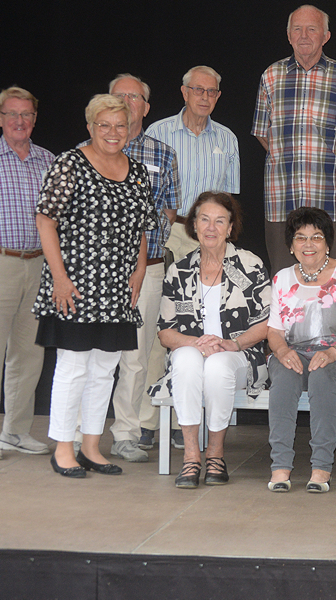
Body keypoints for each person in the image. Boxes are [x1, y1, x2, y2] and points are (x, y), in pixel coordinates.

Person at [33, 94, 156, 478]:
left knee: (104, 369)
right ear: (90, 127)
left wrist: (139, 270)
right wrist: (59, 277)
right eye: (104, 125)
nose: (113, 132)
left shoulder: (137, 171)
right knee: (73, 367)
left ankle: (90, 447)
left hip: (117, 287)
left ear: (130, 129)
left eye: (120, 125)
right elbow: (45, 221)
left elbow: (141, 227)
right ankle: (63, 448)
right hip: (75, 285)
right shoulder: (69, 164)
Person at [75, 74, 181, 462]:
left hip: (147, 269)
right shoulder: (82, 154)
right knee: (88, 354)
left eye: (133, 97)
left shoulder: (163, 154)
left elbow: (169, 208)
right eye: (118, 96)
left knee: (134, 357)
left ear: (145, 107)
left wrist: (148, 247)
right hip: (95, 271)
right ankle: (77, 434)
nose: (125, 103)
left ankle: (126, 433)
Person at [150, 192, 270, 489]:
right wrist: (196, 343)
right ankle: (191, 456)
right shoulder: (179, 271)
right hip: (194, 351)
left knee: (217, 365)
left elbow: (267, 323)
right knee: (185, 359)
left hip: (240, 355)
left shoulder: (249, 265)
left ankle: (215, 453)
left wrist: (233, 344)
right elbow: (165, 332)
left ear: (230, 228)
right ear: (194, 225)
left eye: (220, 221)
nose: (211, 227)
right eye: (204, 219)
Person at [253, 5, 336, 273]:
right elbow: (261, 132)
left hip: (331, 201)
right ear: (288, 35)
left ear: (325, 36)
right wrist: (286, 154)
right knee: (285, 280)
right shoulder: (271, 76)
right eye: (297, 29)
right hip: (282, 199)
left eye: (312, 29)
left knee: (331, 281)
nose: (304, 35)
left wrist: (332, 158)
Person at [267, 207, 336, 493]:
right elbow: (274, 331)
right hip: (295, 352)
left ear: (327, 243)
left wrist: (334, 352)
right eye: (300, 237)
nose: (308, 244)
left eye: (316, 237)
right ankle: (280, 465)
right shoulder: (282, 278)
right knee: (284, 374)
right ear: (291, 245)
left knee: (322, 376)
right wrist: (282, 351)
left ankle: (321, 466)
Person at [0, 86, 55, 459]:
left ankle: (15, 432)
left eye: (26, 114)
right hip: (2, 262)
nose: (19, 121)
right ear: (1, 118)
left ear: (34, 119)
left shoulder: (48, 160)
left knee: (28, 353)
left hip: (38, 264)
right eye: (12, 114)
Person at [147, 66, 240, 263]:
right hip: (165, 232)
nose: (205, 97)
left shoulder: (228, 139)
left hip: (208, 234)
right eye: (198, 90)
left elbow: (228, 197)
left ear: (218, 96)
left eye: (211, 91)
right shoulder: (157, 133)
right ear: (185, 93)